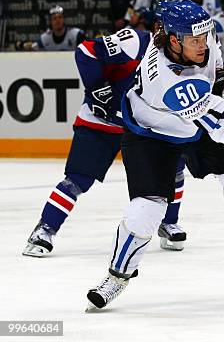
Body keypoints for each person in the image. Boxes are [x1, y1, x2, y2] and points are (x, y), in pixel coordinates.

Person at [85, 0, 224, 311]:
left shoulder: (197, 35)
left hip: (193, 125)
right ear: (174, 40)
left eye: (205, 37)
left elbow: (217, 67)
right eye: (195, 41)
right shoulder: (165, 77)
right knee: (146, 211)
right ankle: (117, 277)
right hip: (151, 136)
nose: (203, 44)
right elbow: (220, 125)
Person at [23, 15, 188, 256]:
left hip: (143, 129)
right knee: (78, 179)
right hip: (101, 122)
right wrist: (98, 89)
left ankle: (168, 222)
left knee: (174, 171)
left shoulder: (185, 59)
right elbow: (86, 51)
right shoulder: (135, 41)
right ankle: (45, 229)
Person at [15, 5, 85, 51]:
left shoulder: (76, 35)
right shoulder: (45, 38)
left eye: (60, 17)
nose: (57, 20)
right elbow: (32, 46)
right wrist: (21, 45)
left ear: (64, 19)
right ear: (50, 21)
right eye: (54, 18)